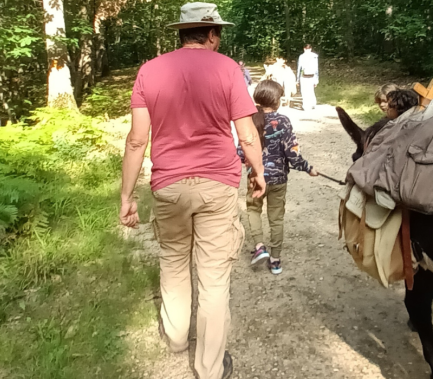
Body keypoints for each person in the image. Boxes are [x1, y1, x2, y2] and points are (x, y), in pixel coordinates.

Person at [118, 3, 266, 379]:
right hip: (217, 186)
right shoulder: (228, 69)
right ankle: (209, 368)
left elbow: (137, 141)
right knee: (214, 278)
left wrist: (127, 195)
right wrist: (258, 171)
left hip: (168, 185)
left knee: (173, 262)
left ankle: (177, 337)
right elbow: (246, 132)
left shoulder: (149, 71)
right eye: (219, 35)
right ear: (212, 34)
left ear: (181, 33)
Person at [239, 80, 318, 275]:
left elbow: (241, 152)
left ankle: (259, 247)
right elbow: (292, 153)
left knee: (253, 210)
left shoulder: (248, 120)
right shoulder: (283, 121)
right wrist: (308, 168)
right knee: (276, 217)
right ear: (276, 101)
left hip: (255, 179)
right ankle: (275, 260)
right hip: (279, 179)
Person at [296, 44, 319, 111]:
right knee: (311, 90)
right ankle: (313, 103)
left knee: (304, 90)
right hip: (312, 76)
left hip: (303, 76)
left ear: (304, 49)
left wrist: (297, 79)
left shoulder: (302, 56)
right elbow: (316, 69)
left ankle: (306, 106)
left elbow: (299, 68)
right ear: (311, 49)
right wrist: (316, 79)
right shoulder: (315, 56)